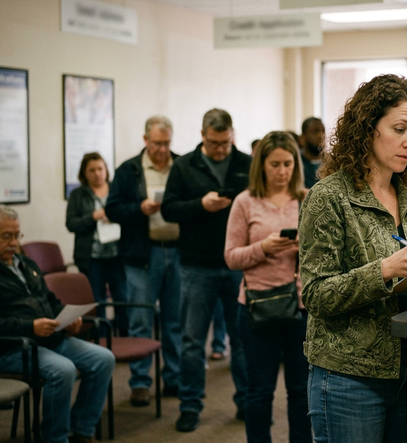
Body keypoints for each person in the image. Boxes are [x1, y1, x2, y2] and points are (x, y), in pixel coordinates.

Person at [299, 74, 407, 443]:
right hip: (349, 378)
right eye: (399, 129)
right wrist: (384, 270)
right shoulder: (329, 196)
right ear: (367, 129)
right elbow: (315, 295)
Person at [0, 205, 115, 443]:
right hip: (10, 348)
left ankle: (82, 429)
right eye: (6, 236)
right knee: (63, 370)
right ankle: (54, 438)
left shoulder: (25, 264)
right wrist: (30, 327)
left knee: (104, 359)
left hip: (48, 338)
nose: (13, 242)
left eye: (17, 235)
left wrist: (67, 318)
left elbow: (50, 300)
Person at [161, 108, 251, 433]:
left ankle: (246, 402)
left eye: (226, 143)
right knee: (192, 341)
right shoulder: (184, 166)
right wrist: (201, 204)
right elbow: (168, 209)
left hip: (237, 264)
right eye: (215, 143)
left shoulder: (246, 163)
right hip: (197, 266)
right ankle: (189, 406)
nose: (221, 149)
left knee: (241, 339)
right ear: (203, 136)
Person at [224, 131, 312, 443]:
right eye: (275, 164)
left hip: (299, 308)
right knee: (259, 392)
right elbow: (232, 258)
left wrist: (307, 247)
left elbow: (326, 255)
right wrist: (265, 247)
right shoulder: (245, 202)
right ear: (261, 165)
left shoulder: (307, 198)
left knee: (300, 392)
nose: (282, 171)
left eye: (288, 164)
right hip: (256, 307)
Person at [105, 115, 182, 406]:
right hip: (142, 254)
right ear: (145, 140)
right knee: (140, 319)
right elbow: (113, 209)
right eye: (156, 143)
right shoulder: (129, 170)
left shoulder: (181, 165)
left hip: (176, 250)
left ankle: (173, 377)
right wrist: (140, 208)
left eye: (166, 143)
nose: (162, 149)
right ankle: (140, 382)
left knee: (174, 320)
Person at [66, 152, 127, 336]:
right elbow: (71, 224)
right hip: (91, 257)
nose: (97, 173)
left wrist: (115, 216)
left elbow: (129, 215)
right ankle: (102, 339)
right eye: (91, 170)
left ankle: (126, 338)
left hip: (118, 254)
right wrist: (92, 217)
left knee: (122, 298)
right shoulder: (78, 194)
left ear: (106, 170)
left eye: (100, 169)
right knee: (97, 300)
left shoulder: (117, 189)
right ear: (84, 173)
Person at [299, 116, 325, 188]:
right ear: (303, 137)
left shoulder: (331, 162)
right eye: (315, 131)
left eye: (323, 130)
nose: (320, 135)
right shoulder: (296, 162)